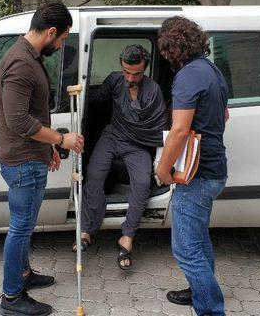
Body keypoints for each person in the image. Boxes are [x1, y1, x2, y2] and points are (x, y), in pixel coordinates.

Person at [0, 2, 84, 316]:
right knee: (20, 228)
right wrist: (62, 139)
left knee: (25, 226)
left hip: (30, 156)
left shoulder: (27, 55)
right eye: (62, 39)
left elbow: (31, 114)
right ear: (50, 32)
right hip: (22, 162)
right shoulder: (21, 63)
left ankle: (23, 274)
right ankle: (11, 298)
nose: (61, 46)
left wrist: (47, 149)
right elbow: (17, 120)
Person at [155, 16, 230, 316]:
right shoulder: (212, 71)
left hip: (196, 176)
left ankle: (211, 310)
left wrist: (163, 168)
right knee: (198, 240)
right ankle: (197, 289)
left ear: (173, 47)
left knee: (186, 249)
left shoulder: (187, 76)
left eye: (164, 49)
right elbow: (224, 116)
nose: (163, 56)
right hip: (215, 169)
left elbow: (180, 130)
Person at [76, 44, 167, 270]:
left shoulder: (153, 90)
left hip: (137, 144)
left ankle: (127, 236)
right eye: (126, 71)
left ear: (144, 69)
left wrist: (158, 162)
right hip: (113, 135)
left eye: (135, 73)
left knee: (142, 182)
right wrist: (80, 91)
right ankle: (87, 229)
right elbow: (96, 97)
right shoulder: (115, 80)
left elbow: (157, 125)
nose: (130, 77)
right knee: (94, 174)